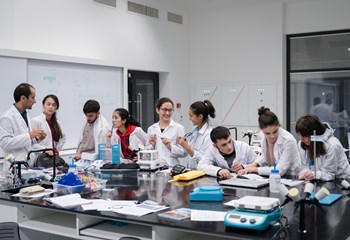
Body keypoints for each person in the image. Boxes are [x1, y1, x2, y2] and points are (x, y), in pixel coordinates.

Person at [238, 107, 301, 177]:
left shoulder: (288, 140)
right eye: (267, 133)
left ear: (279, 126)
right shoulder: (262, 135)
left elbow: (280, 170)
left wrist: (255, 169)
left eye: (275, 131)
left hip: (292, 176)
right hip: (274, 176)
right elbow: (265, 156)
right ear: (261, 130)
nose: (272, 136)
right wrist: (252, 165)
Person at [0, 83, 46, 167]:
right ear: (23, 98)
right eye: (32, 97)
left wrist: (36, 139)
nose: (35, 101)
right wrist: (29, 135)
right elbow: (4, 143)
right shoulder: (7, 117)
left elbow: (26, 143)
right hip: (14, 166)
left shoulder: (26, 114)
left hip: (27, 164)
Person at [296, 114, 350, 181]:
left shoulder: (332, 145)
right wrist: (305, 173)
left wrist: (313, 174)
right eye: (299, 135)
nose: (301, 139)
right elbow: (304, 166)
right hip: (319, 180)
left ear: (315, 134)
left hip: (342, 181)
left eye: (304, 135)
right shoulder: (302, 144)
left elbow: (329, 174)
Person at [173, 100, 216, 169]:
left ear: (200, 116)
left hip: (202, 173)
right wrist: (186, 144)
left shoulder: (208, 135)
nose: (189, 118)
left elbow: (206, 159)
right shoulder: (196, 131)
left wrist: (187, 148)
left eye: (191, 116)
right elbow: (195, 149)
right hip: (193, 171)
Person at [146, 97, 185, 167]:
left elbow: (184, 153)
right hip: (155, 168)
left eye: (170, 110)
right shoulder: (151, 129)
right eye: (164, 110)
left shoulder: (179, 128)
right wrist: (152, 145)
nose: (167, 113)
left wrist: (170, 147)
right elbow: (146, 153)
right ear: (157, 110)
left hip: (172, 168)